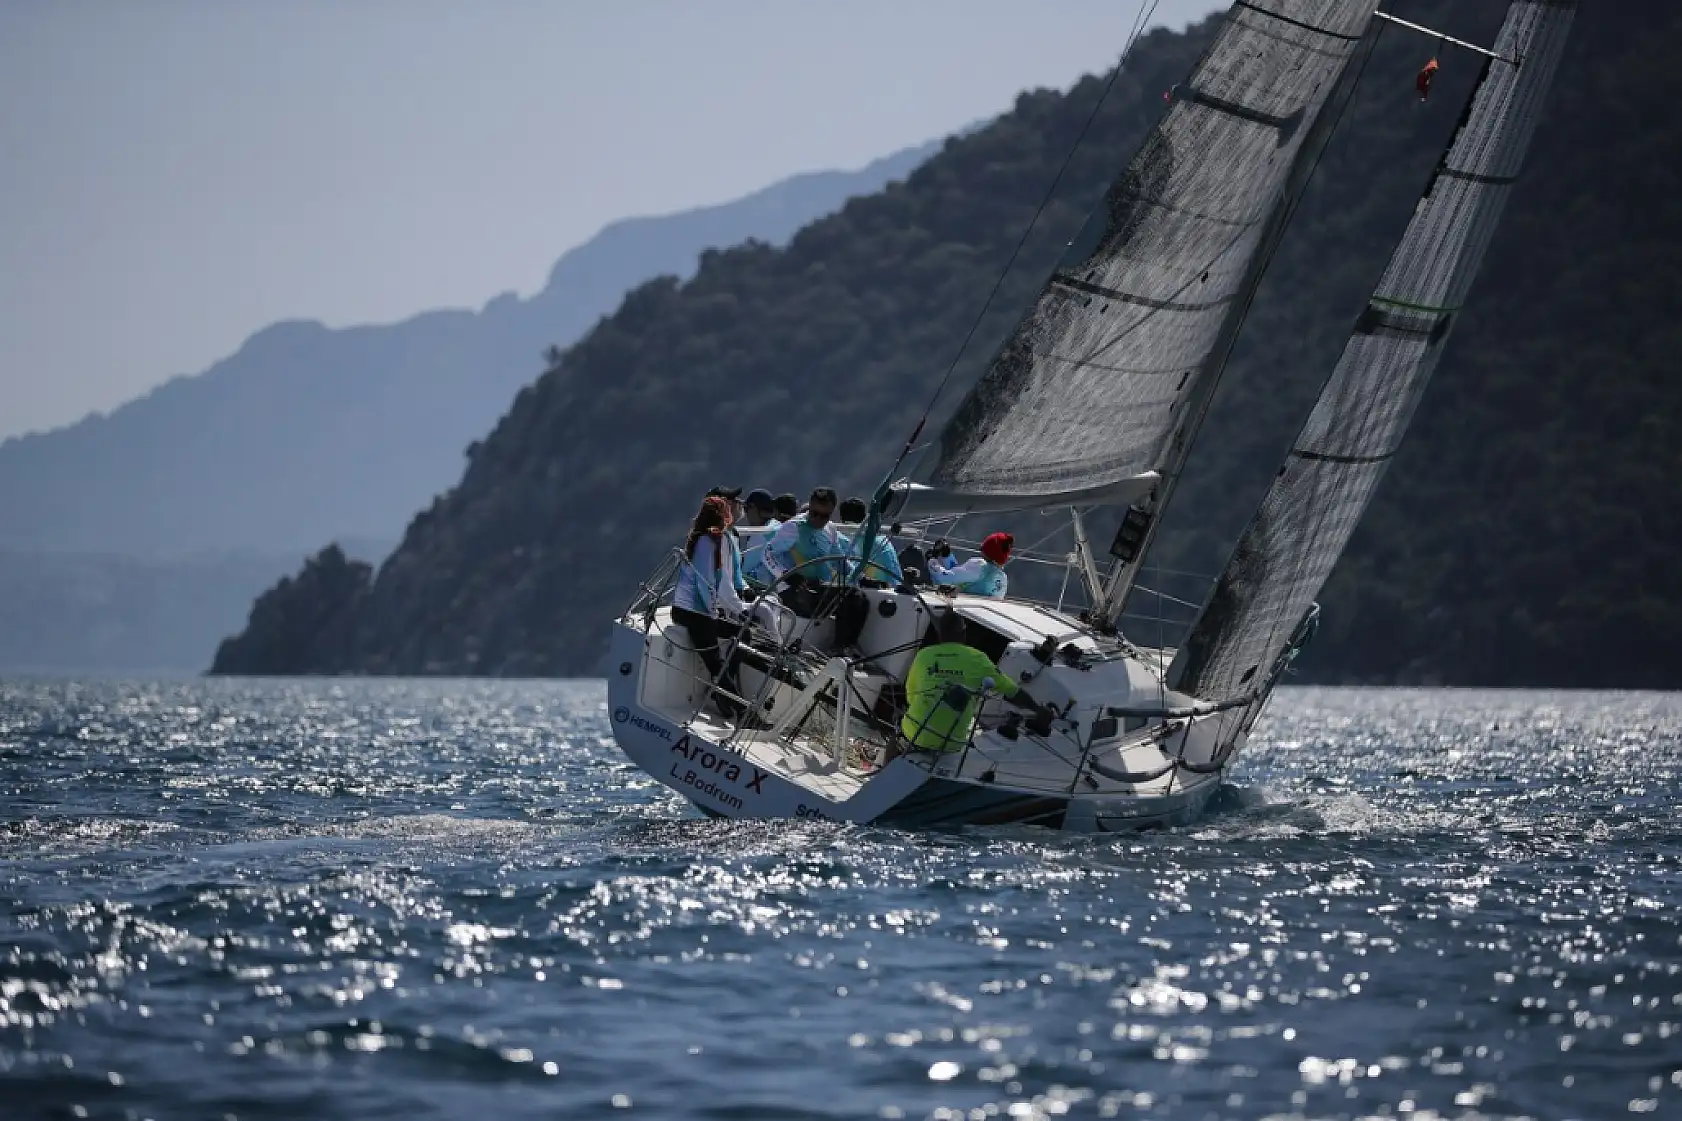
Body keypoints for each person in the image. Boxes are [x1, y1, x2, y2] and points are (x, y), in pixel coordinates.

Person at [885, 610, 1047, 763]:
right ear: (964, 633)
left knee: (895, 739)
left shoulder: (924, 655)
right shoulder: (978, 659)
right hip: (951, 744)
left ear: (940, 634)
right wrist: (1038, 710)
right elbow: (1013, 692)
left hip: (916, 736)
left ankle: (883, 776)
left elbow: (911, 696)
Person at [673, 496, 748, 715]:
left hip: (701, 611)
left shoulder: (711, 539)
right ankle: (745, 713)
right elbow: (704, 581)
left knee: (742, 635)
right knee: (715, 662)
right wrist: (713, 612)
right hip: (693, 612)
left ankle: (724, 698)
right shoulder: (707, 542)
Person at [764, 487, 846, 590]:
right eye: (814, 513)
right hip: (794, 589)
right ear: (810, 506)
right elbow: (767, 554)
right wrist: (786, 575)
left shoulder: (831, 529)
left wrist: (862, 577)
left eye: (824, 516)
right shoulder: (793, 527)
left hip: (823, 589)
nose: (818, 519)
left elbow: (841, 562)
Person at [837, 496, 904, 587]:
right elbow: (897, 577)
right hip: (891, 590)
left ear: (841, 519)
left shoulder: (840, 540)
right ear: (864, 517)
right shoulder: (884, 543)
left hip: (855, 590)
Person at [927, 531, 1012, 598]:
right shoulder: (1003, 579)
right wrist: (948, 557)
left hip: (960, 613)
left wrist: (932, 561)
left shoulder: (980, 566)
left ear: (988, 552)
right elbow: (961, 575)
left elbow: (944, 578)